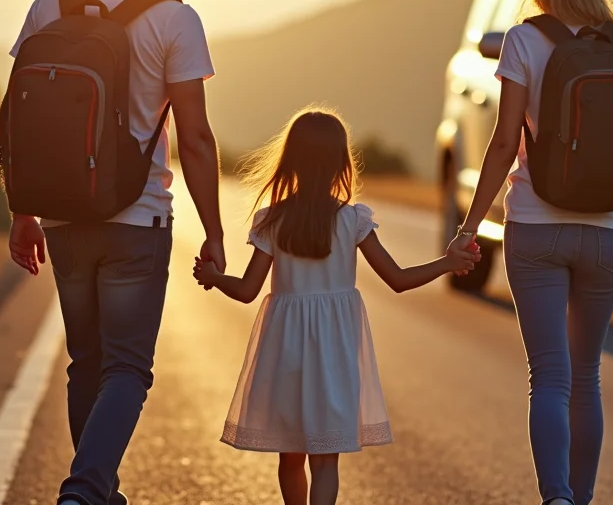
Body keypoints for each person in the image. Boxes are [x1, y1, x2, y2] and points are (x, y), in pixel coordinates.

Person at [5, 0, 226, 505]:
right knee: (127, 369)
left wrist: (23, 210)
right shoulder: (174, 18)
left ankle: (97, 493)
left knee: (88, 365)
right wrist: (212, 232)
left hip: (62, 215)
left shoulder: (53, 1)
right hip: (138, 218)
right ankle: (84, 490)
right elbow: (199, 139)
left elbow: (19, 116)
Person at [446, 0, 613, 505]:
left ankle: (556, 497)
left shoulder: (524, 40)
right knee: (587, 375)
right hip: (608, 233)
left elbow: (503, 141)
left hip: (536, 225)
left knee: (551, 376)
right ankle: (580, 499)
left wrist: (469, 227)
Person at [193, 109, 480, 505]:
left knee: (290, 457)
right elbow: (397, 279)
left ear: (289, 160)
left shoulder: (272, 220)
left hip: (285, 351)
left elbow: (245, 290)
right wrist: (446, 264)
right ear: (341, 163)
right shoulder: (352, 220)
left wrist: (213, 277)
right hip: (335, 354)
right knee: (326, 464)